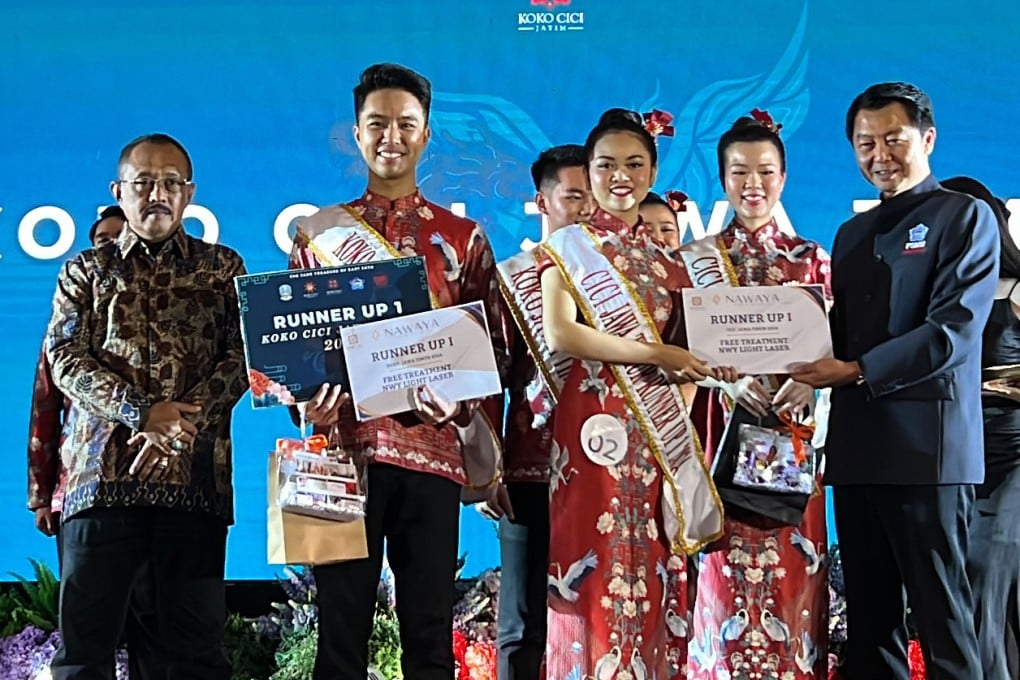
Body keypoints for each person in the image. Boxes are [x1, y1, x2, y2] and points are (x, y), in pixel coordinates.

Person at [288, 63, 509, 680]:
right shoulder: (317, 235)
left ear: (426, 134)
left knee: (430, 637)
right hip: (340, 457)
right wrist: (306, 402)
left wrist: (462, 406)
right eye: (377, 124)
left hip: (431, 458)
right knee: (337, 634)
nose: (392, 137)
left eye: (406, 124)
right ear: (356, 134)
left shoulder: (463, 239)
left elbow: (489, 352)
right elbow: (293, 347)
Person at [791, 82, 998, 679]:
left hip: (928, 454)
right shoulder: (851, 235)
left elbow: (953, 330)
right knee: (870, 629)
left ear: (927, 138)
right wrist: (776, 357)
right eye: (864, 142)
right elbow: (835, 335)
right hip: (858, 453)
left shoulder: (963, 216)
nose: (879, 153)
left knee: (944, 624)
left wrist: (855, 370)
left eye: (892, 139)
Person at [529, 107, 735, 677]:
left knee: (654, 563)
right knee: (587, 564)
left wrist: (682, 421)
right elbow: (561, 331)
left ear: (652, 171)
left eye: (634, 164)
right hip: (589, 428)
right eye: (606, 164)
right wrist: (654, 355)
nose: (620, 175)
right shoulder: (569, 246)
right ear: (589, 172)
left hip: (657, 435)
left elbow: (691, 358)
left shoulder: (673, 263)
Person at [46, 133, 248, 680]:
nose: (156, 194)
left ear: (189, 193)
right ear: (118, 190)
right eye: (143, 183)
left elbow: (241, 358)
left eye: (169, 183)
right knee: (84, 654)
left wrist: (177, 427)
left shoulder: (223, 268)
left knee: (192, 655)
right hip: (101, 481)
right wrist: (142, 413)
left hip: (194, 484)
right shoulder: (84, 271)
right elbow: (63, 357)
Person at [678, 113, 830, 678]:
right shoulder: (696, 264)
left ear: (784, 177)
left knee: (795, 591)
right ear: (722, 181)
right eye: (739, 171)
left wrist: (809, 381)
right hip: (721, 440)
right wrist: (726, 378)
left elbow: (837, 355)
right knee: (721, 588)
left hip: (792, 447)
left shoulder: (811, 259)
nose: (753, 183)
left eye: (765, 171)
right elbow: (679, 360)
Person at [494, 143, 593, 679]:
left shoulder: (616, 274)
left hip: (605, 467)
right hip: (532, 465)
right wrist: (486, 462)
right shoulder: (514, 276)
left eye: (590, 197)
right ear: (542, 201)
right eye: (572, 197)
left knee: (595, 613)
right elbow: (491, 375)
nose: (583, 209)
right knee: (523, 622)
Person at [942, 175, 1020, 680]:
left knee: (988, 574)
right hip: (951, 458)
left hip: (1012, 458)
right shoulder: (936, 295)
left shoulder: (1015, 290)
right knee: (961, 587)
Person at [29, 206, 127, 546]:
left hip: (152, 490)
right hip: (78, 486)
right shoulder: (65, 326)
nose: (111, 247)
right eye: (103, 240)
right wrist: (41, 494)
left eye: (120, 237)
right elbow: (45, 407)